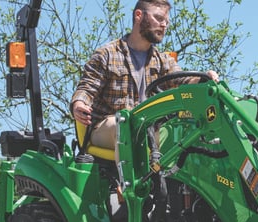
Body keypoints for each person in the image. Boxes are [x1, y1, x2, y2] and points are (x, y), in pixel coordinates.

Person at [71, 0, 218, 151]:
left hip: (147, 127)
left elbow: (183, 80)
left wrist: (203, 78)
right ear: (139, 15)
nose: (164, 25)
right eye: (159, 18)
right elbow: (87, 88)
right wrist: (79, 104)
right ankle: (128, 175)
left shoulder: (162, 61)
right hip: (107, 126)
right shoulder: (107, 54)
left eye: (166, 21)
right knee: (125, 128)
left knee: (187, 132)